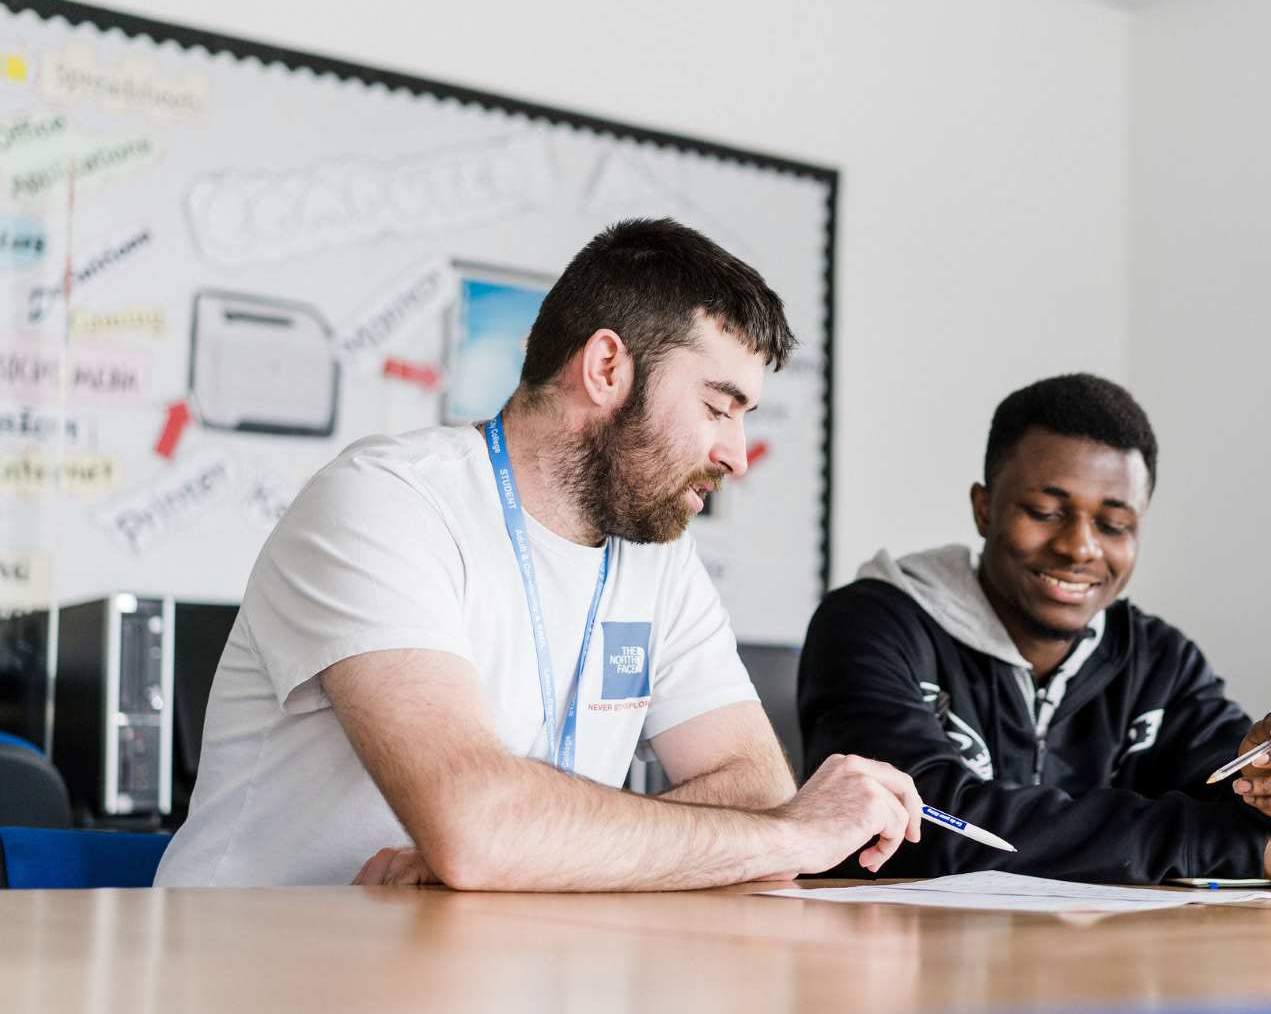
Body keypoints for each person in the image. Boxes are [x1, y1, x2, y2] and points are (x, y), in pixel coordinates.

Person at [156, 218, 921, 890]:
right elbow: (480, 833)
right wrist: (793, 836)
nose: (737, 454)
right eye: (719, 408)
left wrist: (538, 852)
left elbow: (753, 786)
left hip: (475, 970)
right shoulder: (384, 503)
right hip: (264, 968)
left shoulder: (657, 558)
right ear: (606, 368)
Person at [797, 373, 1271, 893]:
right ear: (983, 508)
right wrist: (1246, 848)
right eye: (1045, 511)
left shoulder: (1157, 659)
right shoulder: (872, 623)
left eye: (1113, 525)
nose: (1080, 547)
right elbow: (923, 825)